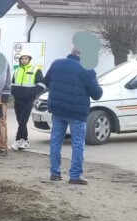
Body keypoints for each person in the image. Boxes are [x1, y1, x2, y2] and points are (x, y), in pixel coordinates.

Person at [44, 48, 103, 185]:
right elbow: (97, 94)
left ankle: (55, 172)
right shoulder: (86, 69)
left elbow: (47, 82)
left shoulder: (56, 63)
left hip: (58, 109)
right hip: (77, 112)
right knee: (77, 143)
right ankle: (75, 175)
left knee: (56, 141)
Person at [10, 52, 46, 151]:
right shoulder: (16, 71)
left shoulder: (36, 70)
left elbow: (42, 85)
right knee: (20, 121)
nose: (24, 60)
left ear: (29, 59)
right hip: (18, 100)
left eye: (26, 58)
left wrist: (31, 93)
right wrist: (14, 92)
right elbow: (12, 84)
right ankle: (25, 141)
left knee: (23, 121)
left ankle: (18, 140)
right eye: (22, 58)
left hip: (28, 100)